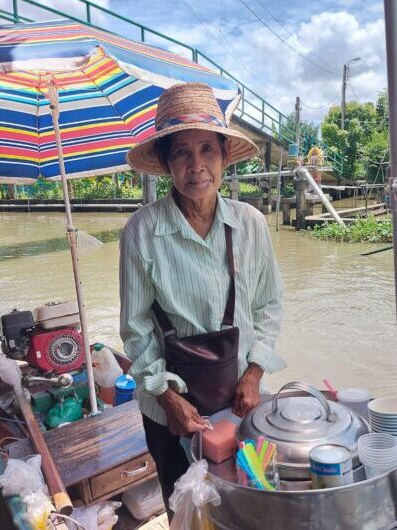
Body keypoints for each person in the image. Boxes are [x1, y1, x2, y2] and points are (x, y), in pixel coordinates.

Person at [119, 82, 285, 513]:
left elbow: (269, 306)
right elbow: (135, 328)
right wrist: (167, 398)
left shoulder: (251, 223)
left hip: (240, 398)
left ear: (225, 157)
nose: (196, 166)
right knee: (186, 509)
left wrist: (253, 375)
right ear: (165, 162)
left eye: (207, 150)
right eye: (182, 153)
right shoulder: (142, 231)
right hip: (168, 407)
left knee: (244, 502)